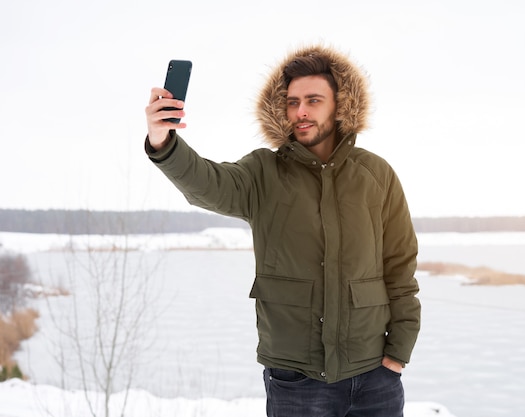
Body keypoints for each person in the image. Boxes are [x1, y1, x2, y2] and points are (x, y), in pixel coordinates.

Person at [144, 45, 421, 417]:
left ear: (340, 105)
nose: (300, 111)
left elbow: (400, 269)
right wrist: (163, 142)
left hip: (374, 377)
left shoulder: (376, 175)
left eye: (313, 100)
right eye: (292, 102)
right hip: (296, 381)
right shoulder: (264, 173)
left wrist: (397, 355)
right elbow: (207, 183)